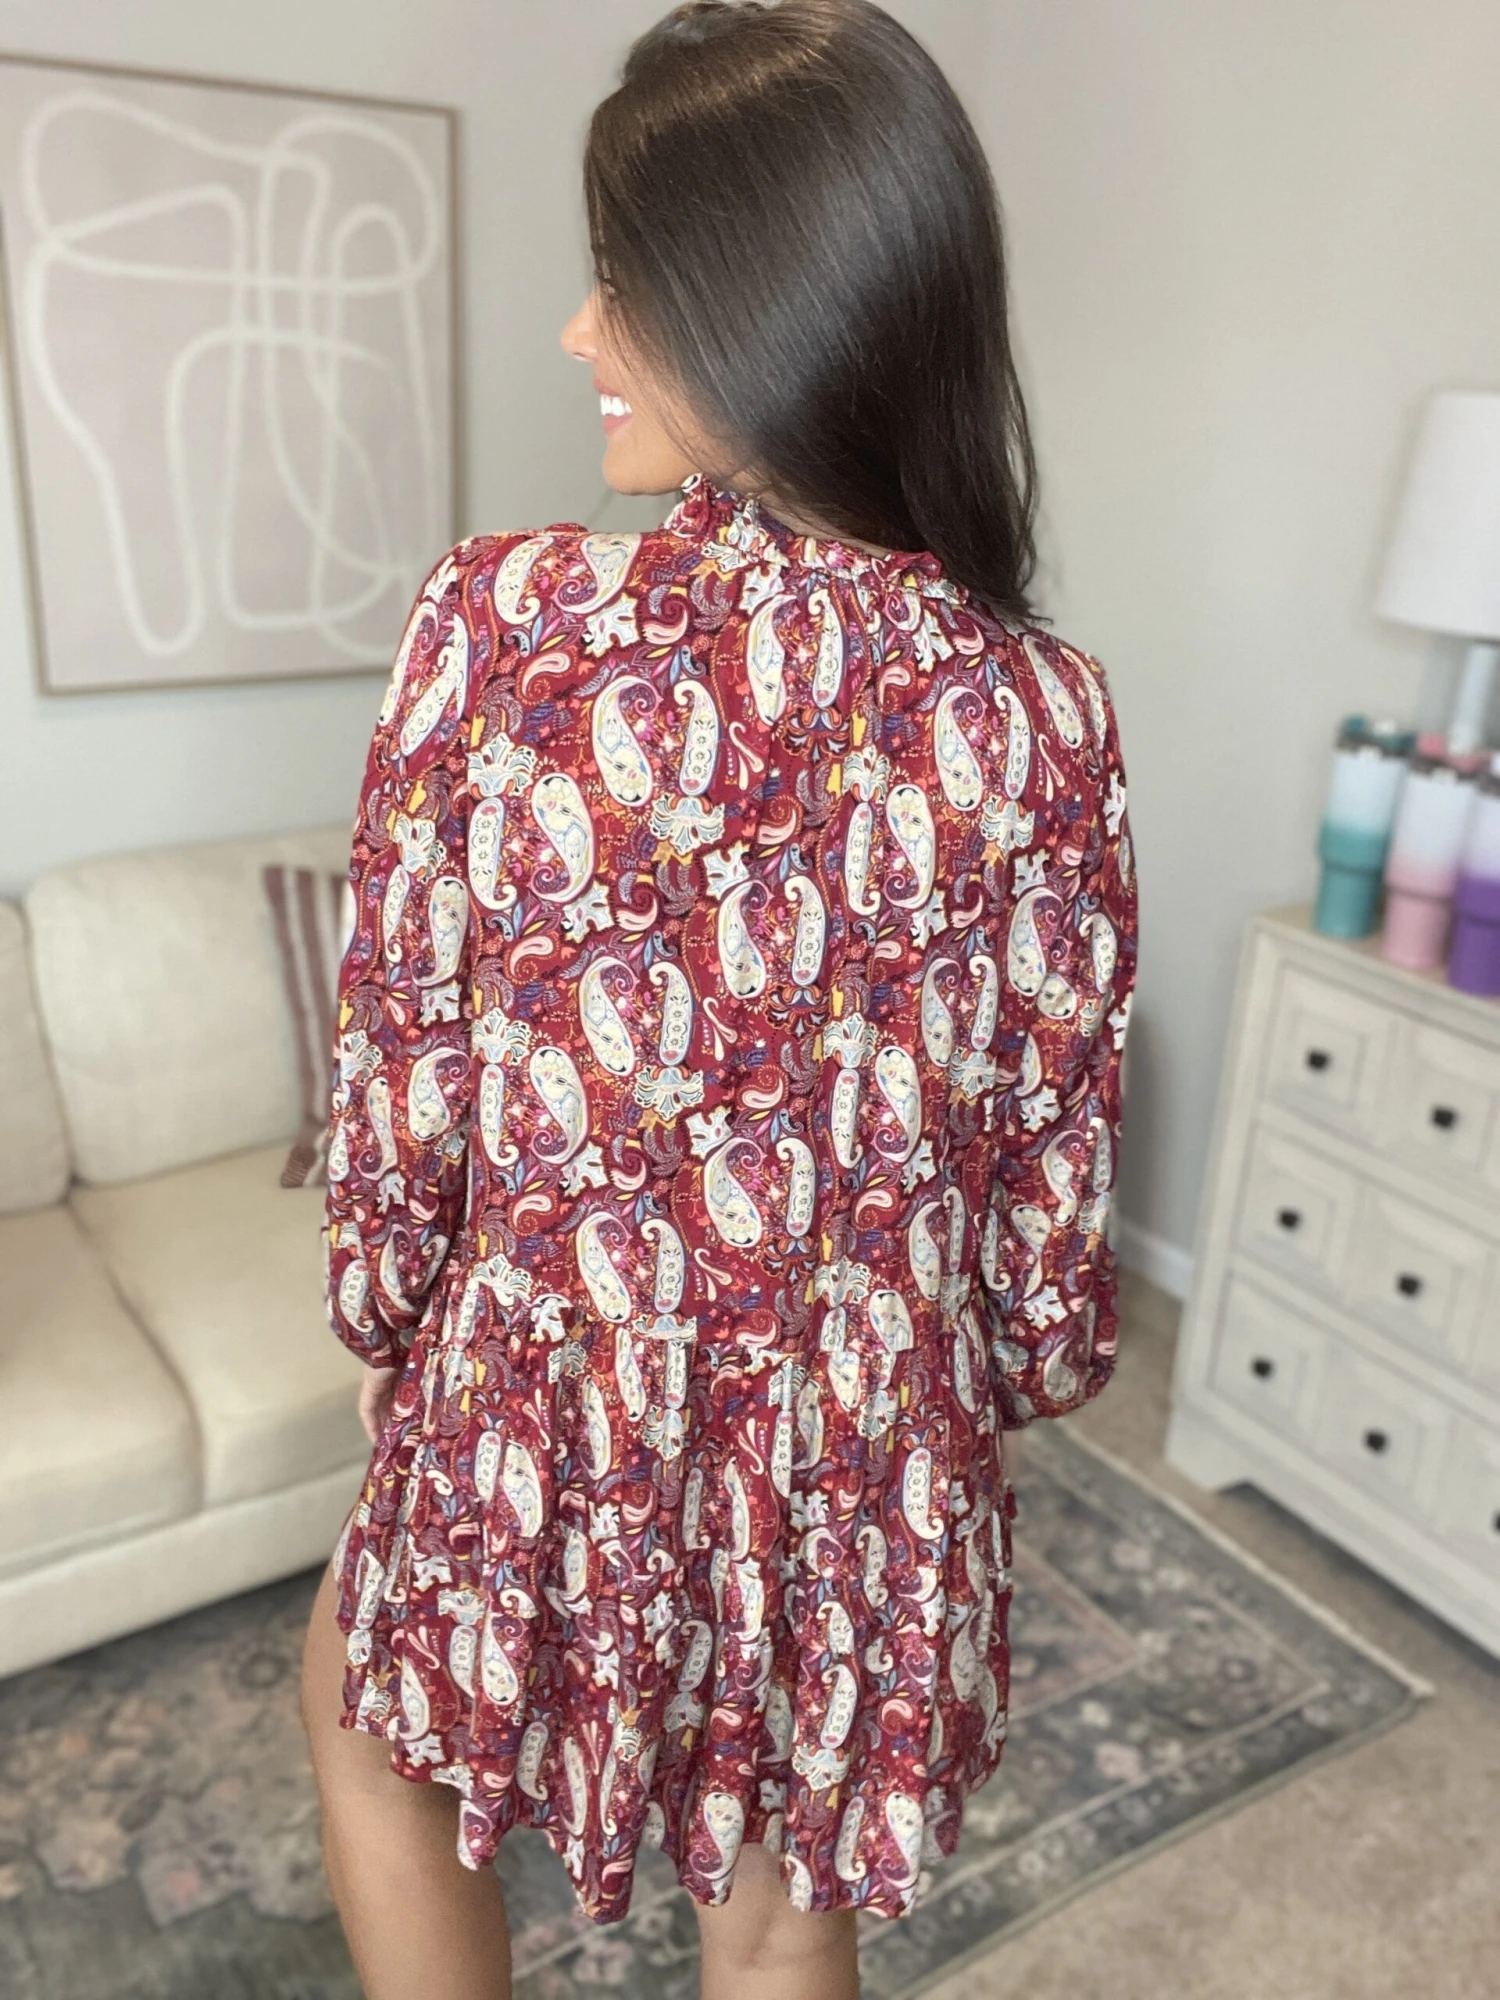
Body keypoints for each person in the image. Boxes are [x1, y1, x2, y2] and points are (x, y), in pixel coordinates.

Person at [299, 3, 1138, 1996]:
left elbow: (401, 1085)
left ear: (766, 297)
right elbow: (1048, 1218)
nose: (579, 332)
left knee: (367, 1729)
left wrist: (391, 1321)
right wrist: (946, 1402)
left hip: (552, 1401)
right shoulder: (1047, 710)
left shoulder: (502, 625)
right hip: (862, 1447)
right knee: (774, 1922)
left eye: (621, 282)